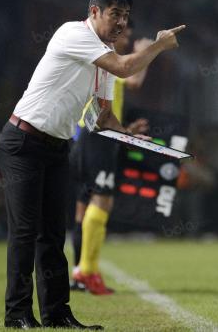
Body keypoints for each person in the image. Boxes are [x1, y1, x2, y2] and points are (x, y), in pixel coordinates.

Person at [0, 0, 185, 329]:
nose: (122, 23)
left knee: (53, 235)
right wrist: (159, 46)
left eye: (126, 16)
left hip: (55, 147)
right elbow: (128, 68)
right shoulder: (74, 33)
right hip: (23, 142)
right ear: (94, 12)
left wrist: (128, 135)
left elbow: (102, 117)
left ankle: (57, 314)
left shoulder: (103, 56)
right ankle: (17, 315)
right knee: (25, 232)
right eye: (115, 14)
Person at [69, 20, 152, 295]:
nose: (127, 37)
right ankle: (87, 271)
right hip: (98, 137)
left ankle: (80, 273)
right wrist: (149, 51)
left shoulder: (100, 59)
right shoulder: (108, 59)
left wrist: (126, 131)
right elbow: (136, 80)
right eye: (125, 33)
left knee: (84, 208)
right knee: (102, 201)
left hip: (85, 135)